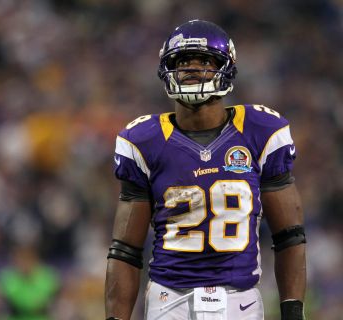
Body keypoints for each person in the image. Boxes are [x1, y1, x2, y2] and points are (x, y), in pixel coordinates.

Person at [105, 19, 306, 320]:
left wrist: (292, 310)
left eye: (205, 61)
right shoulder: (143, 141)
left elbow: (289, 234)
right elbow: (125, 250)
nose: (192, 68)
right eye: (182, 61)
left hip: (241, 300)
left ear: (227, 67)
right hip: (168, 298)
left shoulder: (260, 131)